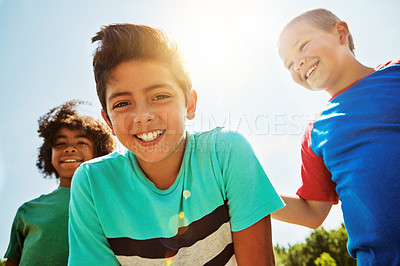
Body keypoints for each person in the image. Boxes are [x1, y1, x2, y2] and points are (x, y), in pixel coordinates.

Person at [67, 23, 284, 266]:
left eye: (160, 96)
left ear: (189, 104)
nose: (143, 116)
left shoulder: (226, 152)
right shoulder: (92, 184)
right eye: (122, 104)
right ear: (108, 120)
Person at [272, 7, 400, 265]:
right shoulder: (316, 133)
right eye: (289, 65)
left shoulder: (395, 75)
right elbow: (312, 212)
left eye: (303, 46)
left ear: (341, 33)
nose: (297, 63)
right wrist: (251, 195)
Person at [4, 100, 116, 266]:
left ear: (98, 152)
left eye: (82, 142)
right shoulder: (28, 210)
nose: (69, 148)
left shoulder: (112, 203)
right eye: (60, 143)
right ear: (48, 154)